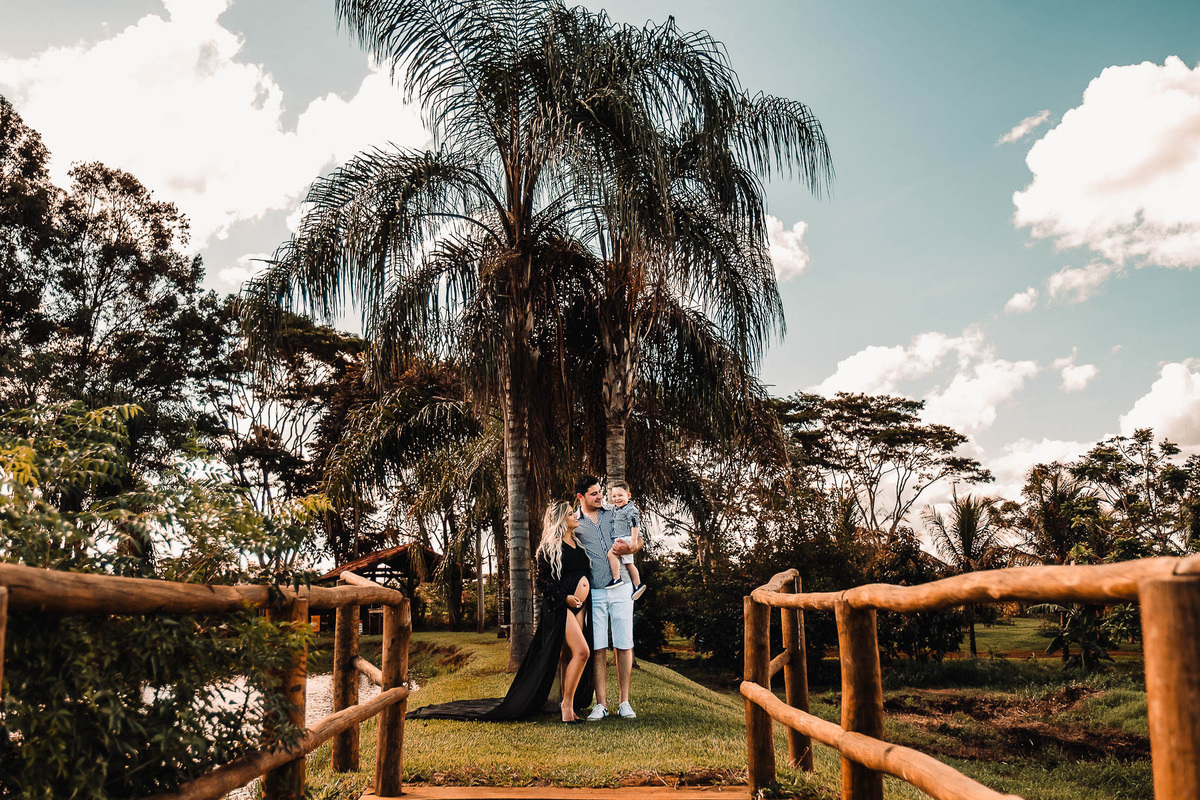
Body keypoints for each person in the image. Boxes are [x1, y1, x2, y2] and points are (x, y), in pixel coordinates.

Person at [406, 501, 593, 722]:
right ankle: (566, 706)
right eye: (571, 514)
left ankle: (568, 706)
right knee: (582, 652)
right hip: (561, 607)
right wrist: (565, 598)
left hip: (580, 605)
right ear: (561, 519)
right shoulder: (549, 548)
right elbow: (542, 581)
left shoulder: (579, 544)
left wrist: (582, 596)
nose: (575, 517)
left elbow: (583, 572)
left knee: (568, 655)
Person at [574, 475, 640, 720]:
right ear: (580, 497)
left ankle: (624, 702)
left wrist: (632, 547)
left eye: (600, 491)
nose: (600, 496)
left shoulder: (616, 509)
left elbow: (638, 538)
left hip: (622, 588)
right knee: (598, 647)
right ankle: (600, 704)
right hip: (596, 591)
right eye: (594, 494)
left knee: (624, 644)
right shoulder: (574, 523)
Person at [603, 481, 646, 601]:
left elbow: (634, 525)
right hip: (624, 538)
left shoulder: (630, 509)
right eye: (614, 496)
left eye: (620, 495)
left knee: (611, 555)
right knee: (629, 564)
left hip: (626, 538)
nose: (617, 498)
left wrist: (633, 541)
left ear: (628, 495)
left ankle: (617, 578)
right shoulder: (617, 509)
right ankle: (638, 585)